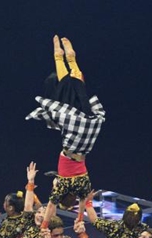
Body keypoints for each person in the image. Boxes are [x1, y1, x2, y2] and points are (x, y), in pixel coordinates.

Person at [26, 36, 104, 206]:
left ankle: (69, 58)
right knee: (64, 100)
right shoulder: (63, 184)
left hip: (85, 141)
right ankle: (61, 57)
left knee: (79, 96)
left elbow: (84, 200)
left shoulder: (81, 185)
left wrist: (81, 214)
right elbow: (53, 202)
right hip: (73, 140)